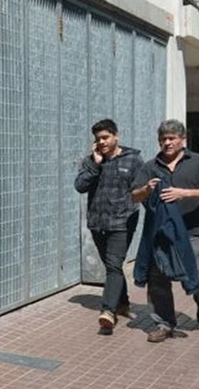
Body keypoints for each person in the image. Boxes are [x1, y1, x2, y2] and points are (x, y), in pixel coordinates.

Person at [131, 119, 199, 343]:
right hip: (160, 232)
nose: (167, 143)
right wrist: (145, 189)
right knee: (158, 277)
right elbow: (134, 196)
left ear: (183, 140)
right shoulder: (150, 166)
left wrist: (184, 193)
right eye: (163, 139)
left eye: (172, 138)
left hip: (194, 229)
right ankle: (164, 323)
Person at [74, 119, 143, 333]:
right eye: (98, 139)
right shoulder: (91, 161)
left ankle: (108, 312)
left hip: (123, 221)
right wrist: (95, 164)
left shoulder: (133, 160)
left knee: (113, 265)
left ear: (116, 136)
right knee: (112, 266)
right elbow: (80, 186)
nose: (102, 142)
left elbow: (140, 189)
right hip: (97, 223)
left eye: (105, 137)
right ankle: (123, 302)